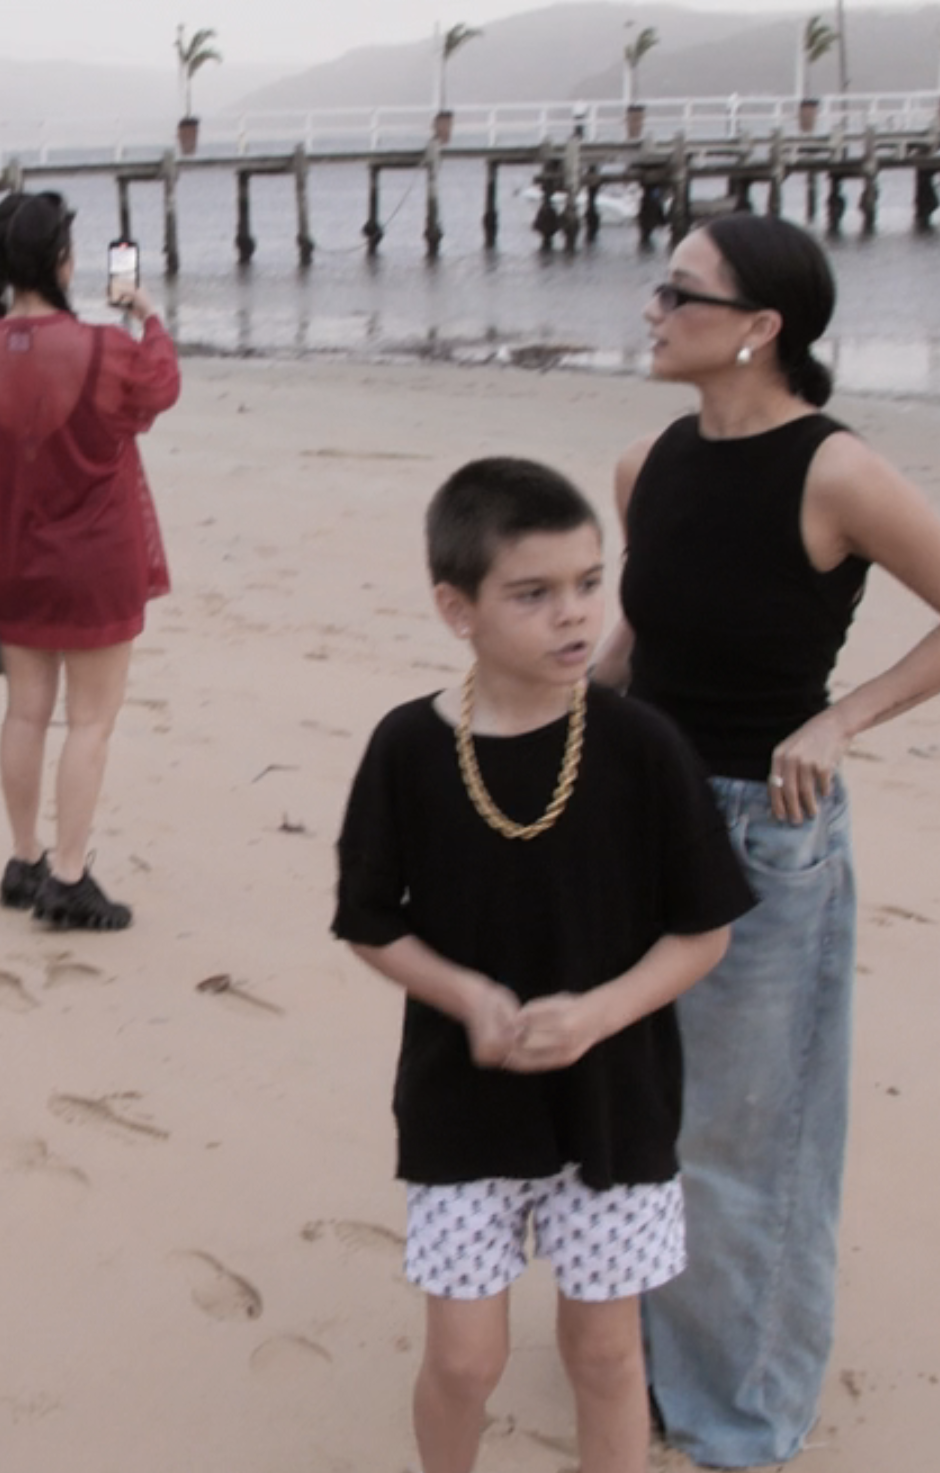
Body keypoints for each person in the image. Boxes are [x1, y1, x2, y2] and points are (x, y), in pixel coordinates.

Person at [597, 214, 940, 1467]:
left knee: (747, 1138)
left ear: (760, 329)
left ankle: (743, 1416)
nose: (652, 308)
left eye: (680, 291)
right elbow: (635, 648)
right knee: (650, 1117)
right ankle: (669, 1375)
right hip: (643, 818)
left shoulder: (834, 471)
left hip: (762, 836)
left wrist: (842, 717)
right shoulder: (647, 463)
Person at [334, 457, 754, 1473]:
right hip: (460, 1101)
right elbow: (369, 920)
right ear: (456, 606)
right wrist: (468, 995)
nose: (571, 615)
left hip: (614, 1098)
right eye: (532, 593)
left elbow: (706, 928)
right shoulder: (408, 746)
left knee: (606, 1352)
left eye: (587, 584)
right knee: (467, 1359)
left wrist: (603, 1012)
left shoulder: (643, 746)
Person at [0, 191, 180, 930]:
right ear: (63, 262)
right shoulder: (106, 351)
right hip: (94, 561)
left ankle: (23, 860)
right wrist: (145, 313)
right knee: (91, 722)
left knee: (25, 713)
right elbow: (160, 386)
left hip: (12, 560)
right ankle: (70, 879)